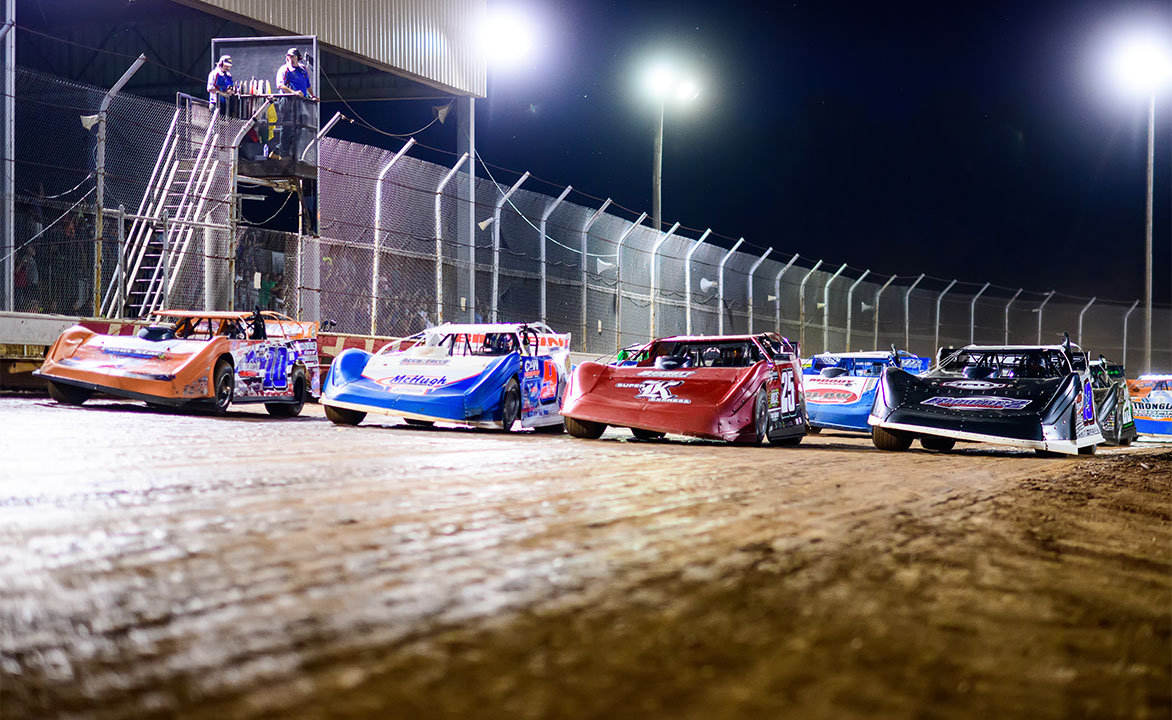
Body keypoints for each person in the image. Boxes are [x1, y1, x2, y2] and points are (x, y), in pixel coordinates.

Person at [273, 48, 316, 159]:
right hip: (288, 100)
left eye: (293, 57)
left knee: (299, 127)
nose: (291, 59)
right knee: (287, 125)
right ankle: (283, 153)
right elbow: (280, 85)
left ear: (298, 57)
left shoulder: (302, 69)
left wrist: (312, 95)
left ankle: (279, 151)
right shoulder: (284, 69)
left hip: (301, 102)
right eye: (289, 57)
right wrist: (294, 92)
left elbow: (307, 84)